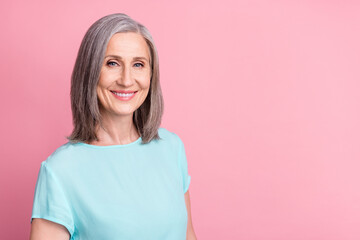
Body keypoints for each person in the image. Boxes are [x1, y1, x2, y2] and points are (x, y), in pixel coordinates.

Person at [29, 13, 197, 240]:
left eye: (138, 64)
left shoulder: (172, 148)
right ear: (90, 73)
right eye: (112, 63)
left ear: (151, 74)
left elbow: (187, 235)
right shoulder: (59, 171)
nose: (127, 80)